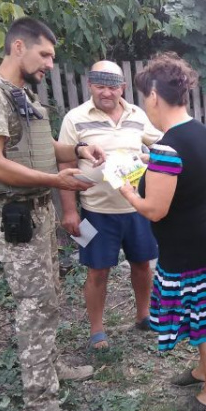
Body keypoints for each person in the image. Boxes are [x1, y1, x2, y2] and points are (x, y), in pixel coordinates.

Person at [0, 17, 106, 411]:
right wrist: (56, 181)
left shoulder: (22, 95)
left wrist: (79, 149)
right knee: (34, 302)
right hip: (16, 215)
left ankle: (49, 364)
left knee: (50, 295)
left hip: (38, 209)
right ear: (18, 47)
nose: (49, 64)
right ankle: (42, 402)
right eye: (44, 55)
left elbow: (44, 150)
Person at [119, 53, 206, 411]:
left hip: (188, 247)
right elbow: (186, 177)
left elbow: (155, 209)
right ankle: (205, 372)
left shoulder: (167, 147)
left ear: (154, 96)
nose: (146, 105)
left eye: (144, 98)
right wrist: (149, 164)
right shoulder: (200, 131)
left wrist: (127, 190)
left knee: (205, 322)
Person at [58, 61, 161, 349]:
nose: (107, 92)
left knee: (142, 264)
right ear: (90, 85)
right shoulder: (74, 119)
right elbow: (65, 162)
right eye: (100, 86)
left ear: (123, 88)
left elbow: (161, 144)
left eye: (113, 86)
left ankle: (144, 315)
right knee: (97, 270)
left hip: (137, 208)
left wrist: (149, 160)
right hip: (96, 210)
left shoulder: (138, 115)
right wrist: (69, 210)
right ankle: (97, 330)